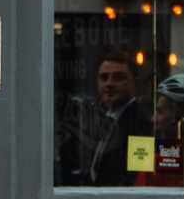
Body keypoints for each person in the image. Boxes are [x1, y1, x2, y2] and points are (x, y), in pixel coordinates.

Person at [62, 51, 154, 186]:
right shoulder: (107, 121)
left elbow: (135, 181)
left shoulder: (141, 124)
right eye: (104, 77)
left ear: (135, 83)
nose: (109, 83)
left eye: (118, 77)